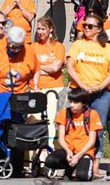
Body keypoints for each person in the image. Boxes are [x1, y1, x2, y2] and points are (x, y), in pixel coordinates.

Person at [0, 26, 40, 173]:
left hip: (20, 95)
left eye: (19, 47)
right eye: (13, 47)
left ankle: (17, 166)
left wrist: (36, 86)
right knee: (0, 128)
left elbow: (36, 70)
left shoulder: (28, 51)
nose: (16, 50)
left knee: (17, 129)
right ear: (7, 41)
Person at [67, 13, 110, 177]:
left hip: (100, 93)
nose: (86, 28)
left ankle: (95, 165)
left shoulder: (107, 47)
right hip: (80, 91)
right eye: (85, 25)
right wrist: (83, 86)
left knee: (98, 128)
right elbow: (70, 66)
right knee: (77, 126)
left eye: (90, 26)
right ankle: (76, 162)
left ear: (99, 29)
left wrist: (101, 86)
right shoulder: (78, 44)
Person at [45, 88, 103, 181]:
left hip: (84, 152)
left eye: (75, 102)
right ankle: (70, 168)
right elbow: (61, 139)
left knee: (83, 176)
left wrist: (78, 156)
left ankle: (83, 168)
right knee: (50, 160)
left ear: (84, 103)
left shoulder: (92, 114)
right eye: (71, 101)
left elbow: (92, 141)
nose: (71, 105)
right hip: (69, 150)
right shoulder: (64, 113)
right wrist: (68, 151)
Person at [31, 16, 65, 148]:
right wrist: (45, 69)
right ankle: (35, 155)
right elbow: (30, 68)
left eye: (43, 28)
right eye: (38, 29)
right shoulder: (33, 47)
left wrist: (38, 68)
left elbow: (56, 67)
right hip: (36, 88)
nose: (40, 32)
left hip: (54, 88)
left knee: (51, 120)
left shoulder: (59, 47)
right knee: (34, 120)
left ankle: (49, 152)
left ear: (50, 29)